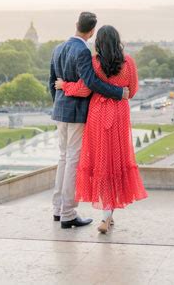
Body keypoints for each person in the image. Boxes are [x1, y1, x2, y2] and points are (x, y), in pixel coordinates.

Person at [55, 24, 147, 233]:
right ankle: (108, 215)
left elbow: (85, 88)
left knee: (102, 165)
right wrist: (119, 93)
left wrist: (64, 86)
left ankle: (106, 215)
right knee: (115, 164)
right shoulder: (128, 62)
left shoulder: (95, 63)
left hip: (97, 115)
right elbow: (131, 91)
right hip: (119, 115)